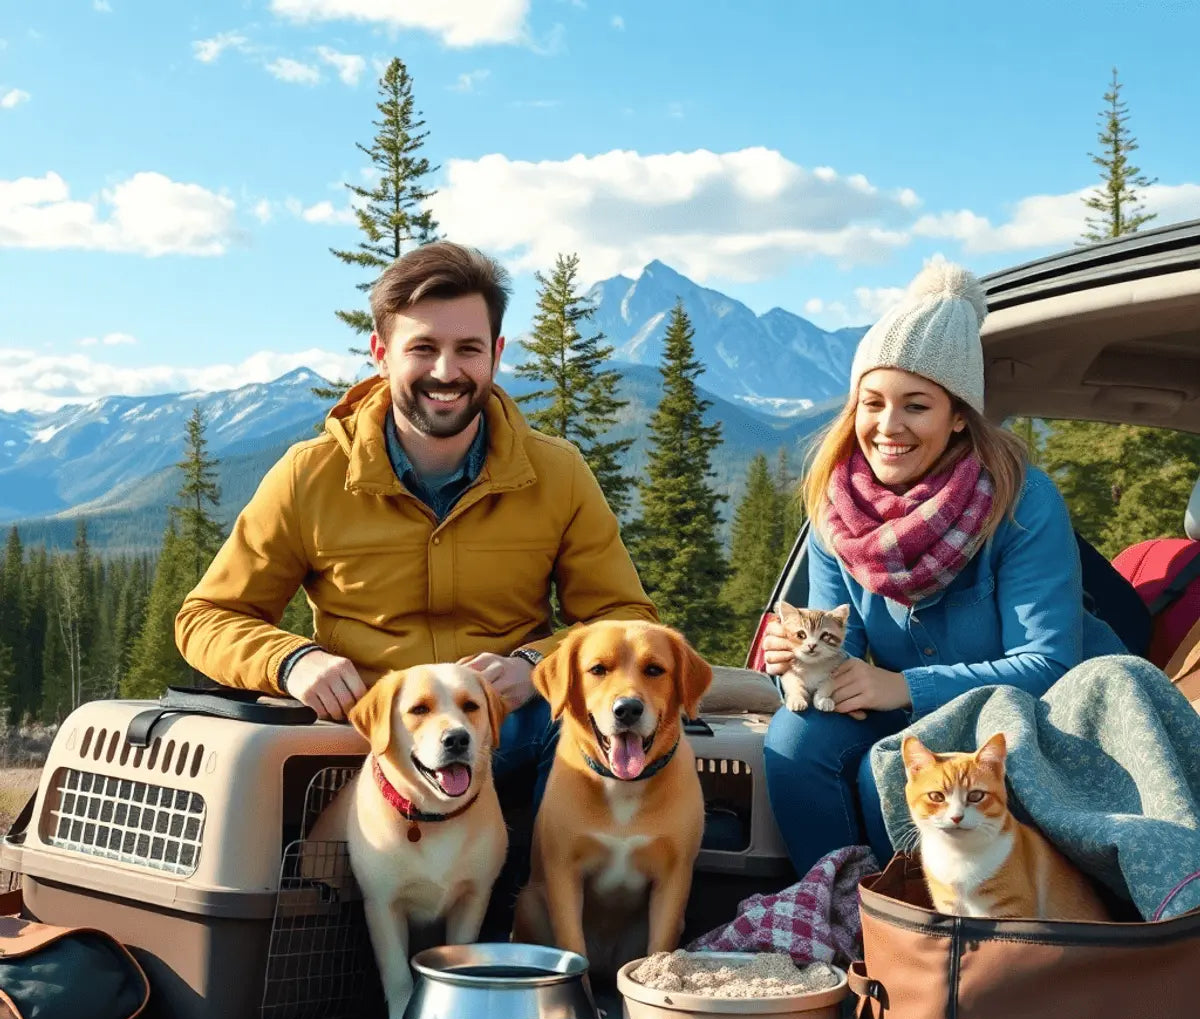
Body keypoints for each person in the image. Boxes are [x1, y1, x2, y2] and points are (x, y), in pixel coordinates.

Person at [175, 240, 657, 810]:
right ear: (381, 353)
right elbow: (207, 618)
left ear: (496, 354)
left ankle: (542, 896)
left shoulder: (558, 473)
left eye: (468, 349)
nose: (446, 371)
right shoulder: (311, 475)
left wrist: (535, 667)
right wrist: (292, 661)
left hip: (509, 739)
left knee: (590, 738)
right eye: (422, 348)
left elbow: (625, 620)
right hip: (364, 742)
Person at [759, 262, 1127, 873]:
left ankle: (925, 943)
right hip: (918, 718)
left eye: (917, 405)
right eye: (871, 404)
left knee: (896, 791)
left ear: (959, 416)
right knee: (796, 742)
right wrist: (795, 661)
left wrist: (904, 687)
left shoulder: (1021, 501)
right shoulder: (836, 508)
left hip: (1027, 724)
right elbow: (837, 643)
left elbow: (1050, 663)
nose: (887, 427)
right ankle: (831, 915)